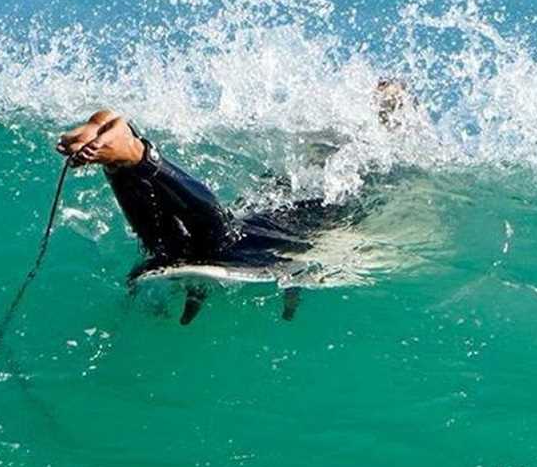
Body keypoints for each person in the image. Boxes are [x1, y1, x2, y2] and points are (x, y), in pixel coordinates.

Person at [57, 80, 413, 324]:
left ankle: (121, 162)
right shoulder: (383, 171)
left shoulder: (316, 172)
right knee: (222, 240)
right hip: (302, 222)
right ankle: (132, 154)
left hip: (273, 212)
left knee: (169, 245)